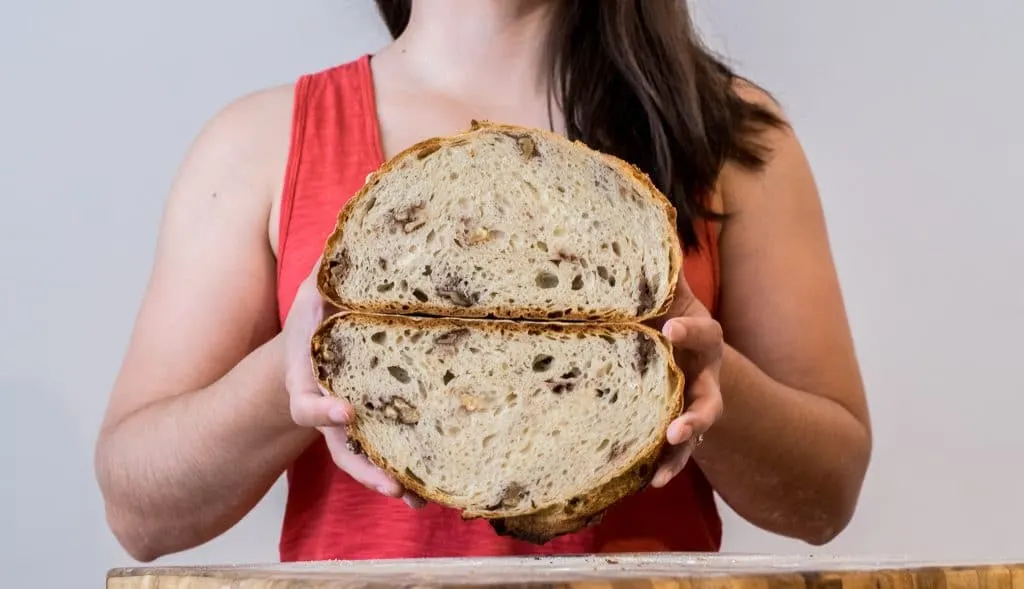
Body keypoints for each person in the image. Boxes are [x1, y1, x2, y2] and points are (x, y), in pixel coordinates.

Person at [94, 0, 872, 563]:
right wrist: (292, 374)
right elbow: (139, 513)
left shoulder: (730, 135)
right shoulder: (260, 144)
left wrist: (710, 377)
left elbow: (826, 496)